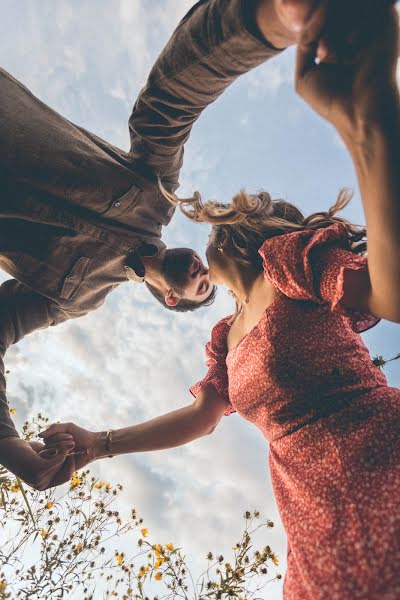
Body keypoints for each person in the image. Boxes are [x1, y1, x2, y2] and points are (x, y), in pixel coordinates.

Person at [42, 4, 400, 597]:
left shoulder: (288, 262)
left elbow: (388, 294)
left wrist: (370, 124)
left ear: (247, 224)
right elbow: (201, 419)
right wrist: (96, 447)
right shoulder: (225, 343)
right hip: (311, 525)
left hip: (379, 462)